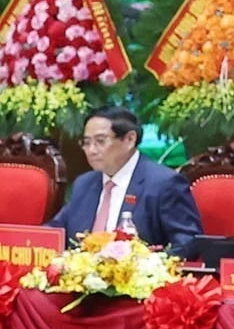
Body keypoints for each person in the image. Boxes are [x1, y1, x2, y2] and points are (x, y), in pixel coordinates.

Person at [53, 107, 203, 255]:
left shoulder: (164, 183)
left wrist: (149, 266)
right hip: (79, 275)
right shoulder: (84, 183)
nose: (91, 150)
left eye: (100, 141)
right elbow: (55, 230)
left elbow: (188, 242)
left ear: (130, 139)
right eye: (86, 142)